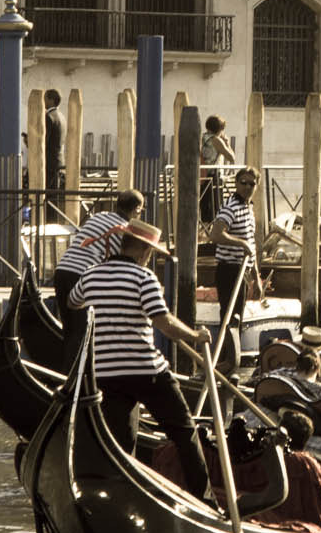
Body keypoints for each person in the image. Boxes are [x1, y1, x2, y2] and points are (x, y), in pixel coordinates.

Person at [68, 219, 213, 500]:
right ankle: (206, 499)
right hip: (147, 372)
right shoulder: (144, 278)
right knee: (185, 433)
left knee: (121, 444)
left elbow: (74, 302)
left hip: (106, 375)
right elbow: (164, 323)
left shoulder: (90, 275)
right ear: (145, 251)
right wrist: (196, 335)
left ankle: (124, 497)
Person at [52, 189, 145, 350]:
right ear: (137, 208)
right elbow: (125, 264)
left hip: (62, 271)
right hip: (83, 276)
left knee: (69, 331)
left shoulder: (98, 216)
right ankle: (77, 373)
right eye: (141, 210)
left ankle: (69, 372)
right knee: (82, 333)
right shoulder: (126, 232)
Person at [206, 166, 261, 361]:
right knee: (230, 317)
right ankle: (225, 360)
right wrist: (240, 243)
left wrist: (257, 278)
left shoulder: (248, 207)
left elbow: (251, 245)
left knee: (237, 316)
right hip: (229, 269)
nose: (247, 187)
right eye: (243, 183)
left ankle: (231, 359)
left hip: (242, 269)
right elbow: (215, 235)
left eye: (251, 184)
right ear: (236, 184)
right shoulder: (231, 207)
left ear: (257, 186)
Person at [200, 115, 237, 220]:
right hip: (213, 176)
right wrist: (227, 143)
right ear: (220, 129)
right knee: (214, 208)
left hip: (202, 176)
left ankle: (204, 231)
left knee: (205, 208)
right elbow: (231, 157)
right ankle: (210, 232)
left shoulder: (202, 137)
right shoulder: (216, 140)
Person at [42, 89, 66, 213]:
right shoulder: (61, 116)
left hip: (49, 163)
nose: (43, 101)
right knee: (53, 197)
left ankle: (47, 223)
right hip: (58, 161)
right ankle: (52, 223)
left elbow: (44, 141)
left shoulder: (48, 117)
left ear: (51, 100)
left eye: (45, 98)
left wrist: (29, 143)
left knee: (47, 196)